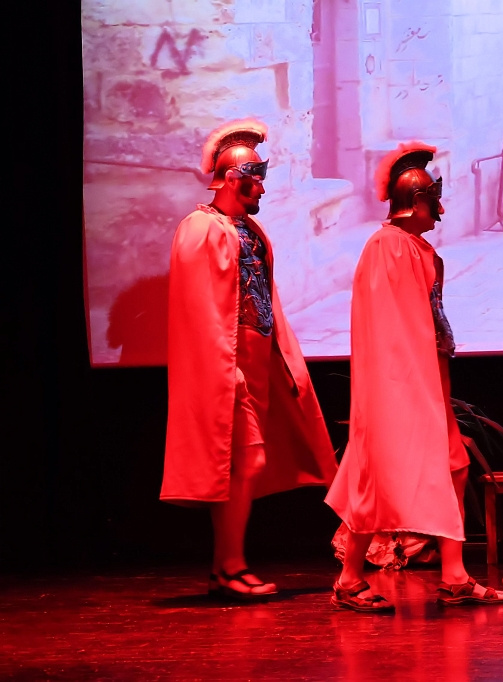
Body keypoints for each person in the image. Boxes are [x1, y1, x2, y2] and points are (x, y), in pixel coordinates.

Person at [326, 142, 503, 612]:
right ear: (414, 202)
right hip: (400, 385)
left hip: (428, 379)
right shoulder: (387, 247)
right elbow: (393, 327)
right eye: (433, 201)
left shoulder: (415, 247)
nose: (440, 211)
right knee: (376, 476)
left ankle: (454, 575)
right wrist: (410, 389)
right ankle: (349, 578)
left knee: (455, 464)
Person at [162, 119, 338, 601]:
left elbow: (264, 301)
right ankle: (230, 565)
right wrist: (226, 372)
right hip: (229, 365)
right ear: (232, 179)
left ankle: (225, 567)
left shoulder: (249, 229)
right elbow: (200, 311)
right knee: (249, 459)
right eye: (254, 178)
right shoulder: (200, 229)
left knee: (245, 463)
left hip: (257, 362)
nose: (261, 187)